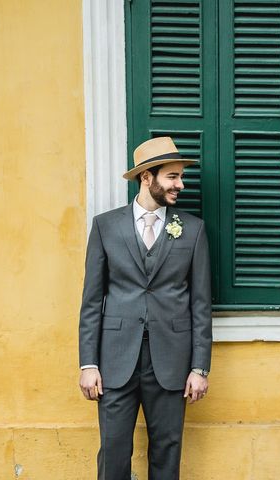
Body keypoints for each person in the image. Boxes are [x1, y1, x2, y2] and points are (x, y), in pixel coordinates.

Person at [78, 136, 212, 480]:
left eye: (180, 176)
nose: (180, 184)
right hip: (114, 360)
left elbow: (200, 304)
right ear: (146, 178)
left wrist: (200, 368)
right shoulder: (105, 226)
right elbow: (92, 301)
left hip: (171, 361)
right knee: (113, 451)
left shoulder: (193, 230)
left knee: (167, 451)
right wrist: (88, 363)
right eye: (172, 176)